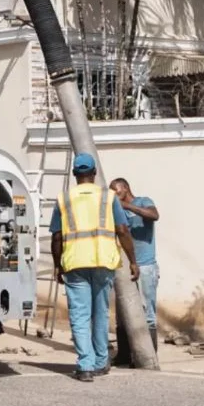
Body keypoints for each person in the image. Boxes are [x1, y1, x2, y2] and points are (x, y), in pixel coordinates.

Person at [50, 153, 139, 382]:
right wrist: (133, 261)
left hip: (75, 263)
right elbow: (123, 230)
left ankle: (85, 366)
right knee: (100, 313)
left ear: (74, 175)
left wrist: (57, 265)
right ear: (94, 173)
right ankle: (101, 361)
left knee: (80, 315)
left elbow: (57, 237)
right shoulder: (108, 198)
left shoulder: (64, 199)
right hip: (103, 261)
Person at [110, 177, 161, 357]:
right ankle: (123, 355)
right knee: (122, 314)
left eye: (116, 191)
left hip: (145, 266)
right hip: (124, 267)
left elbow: (154, 215)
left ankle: (149, 356)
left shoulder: (143, 201)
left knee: (147, 313)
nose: (114, 196)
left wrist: (127, 207)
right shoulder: (115, 209)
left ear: (125, 188)